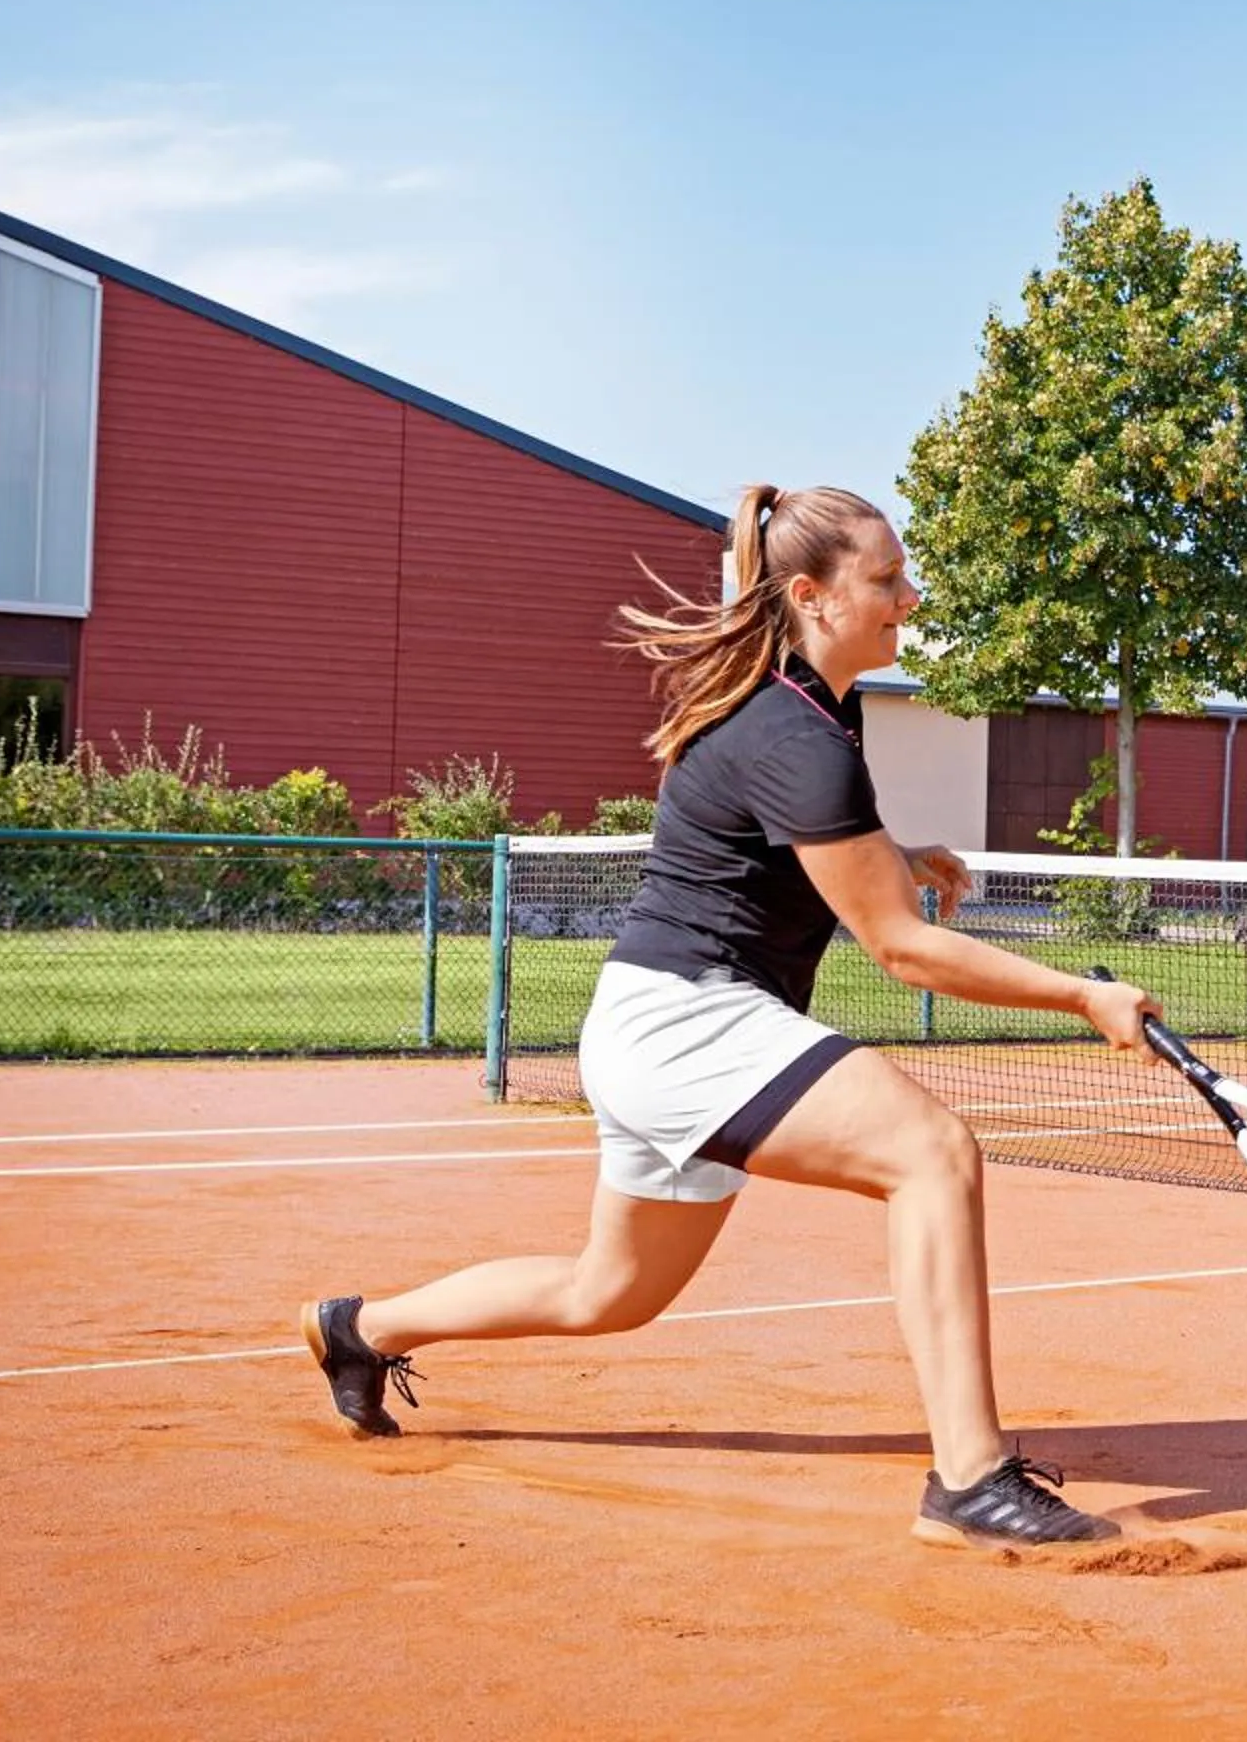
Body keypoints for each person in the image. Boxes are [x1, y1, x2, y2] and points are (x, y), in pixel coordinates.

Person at [300, 485, 1160, 1550]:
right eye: (886, 580)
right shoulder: (797, 732)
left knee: (606, 1291)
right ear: (812, 594)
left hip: (656, 1021)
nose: (909, 596)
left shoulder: (809, 707)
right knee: (931, 1153)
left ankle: (359, 1326)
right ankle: (971, 1477)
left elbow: (802, 845)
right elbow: (900, 949)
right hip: (688, 1020)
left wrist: (900, 852)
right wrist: (1084, 992)